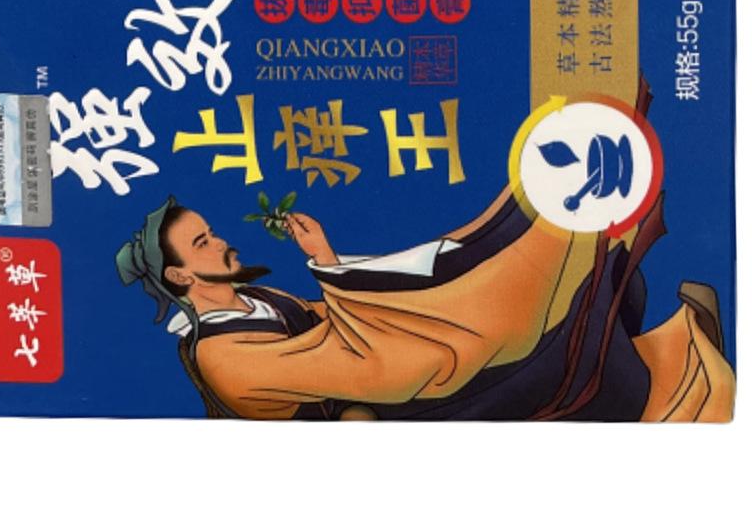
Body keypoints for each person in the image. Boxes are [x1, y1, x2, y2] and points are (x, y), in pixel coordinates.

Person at [116, 184, 734, 421]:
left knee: (513, 296)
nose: (221, 242)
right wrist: (408, 321)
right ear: (179, 274)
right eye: (203, 243)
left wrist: (328, 260)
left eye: (212, 232)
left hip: (372, 376)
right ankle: (678, 382)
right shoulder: (223, 356)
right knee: (527, 362)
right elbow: (343, 361)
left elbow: (327, 321)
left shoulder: (252, 298)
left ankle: (657, 345)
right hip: (373, 416)